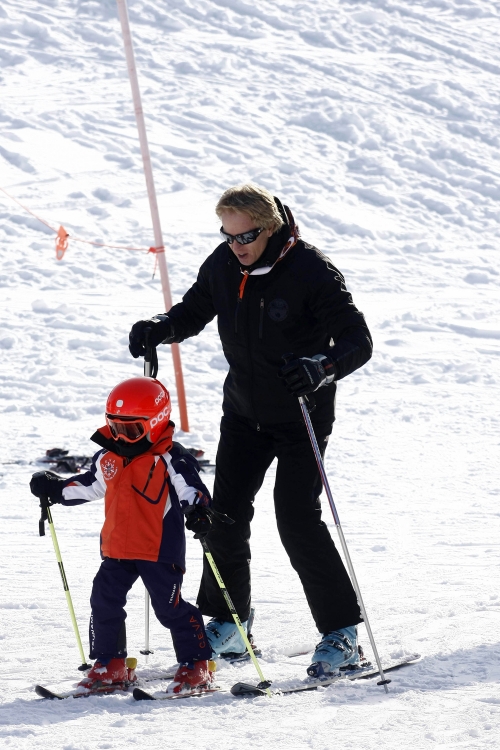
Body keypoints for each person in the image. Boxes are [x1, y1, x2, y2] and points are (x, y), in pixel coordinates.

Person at [129, 184, 373, 678]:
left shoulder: (311, 270)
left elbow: (357, 340)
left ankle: (342, 634)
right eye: (228, 234)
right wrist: (160, 325)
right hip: (243, 412)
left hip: (301, 412)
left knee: (297, 519)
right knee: (223, 517)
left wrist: (322, 365)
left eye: (247, 235)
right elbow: (195, 310)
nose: (236, 244)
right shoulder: (223, 263)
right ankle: (229, 623)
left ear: (272, 227)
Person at [29, 376, 216, 694]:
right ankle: (110, 664)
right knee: (103, 600)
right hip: (117, 548)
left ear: (155, 423)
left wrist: (197, 509)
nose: (123, 437)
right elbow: (88, 485)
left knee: (169, 608)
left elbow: (191, 487)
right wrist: (55, 488)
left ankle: (197, 664)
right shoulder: (109, 456)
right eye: (116, 428)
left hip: (158, 550)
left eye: (132, 430)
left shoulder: (169, 457)